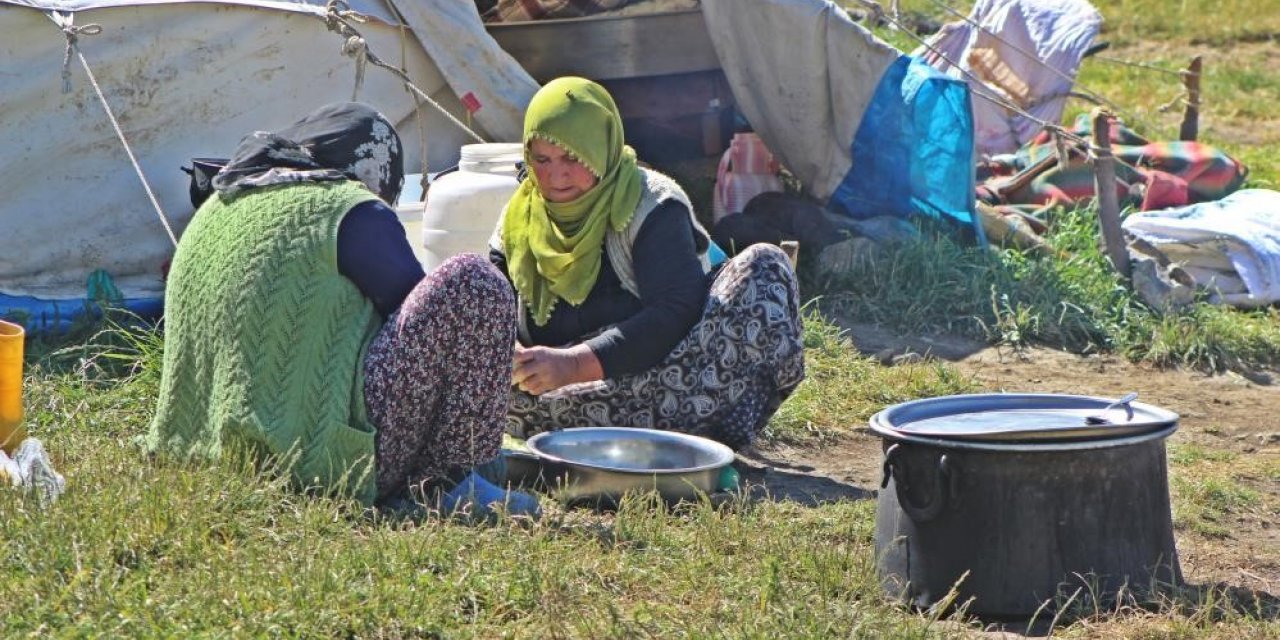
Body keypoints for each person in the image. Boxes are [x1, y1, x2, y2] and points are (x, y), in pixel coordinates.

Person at [147, 102, 538, 518]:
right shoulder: (349, 209)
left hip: (203, 451)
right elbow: (424, 323)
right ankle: (451, 480)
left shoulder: (221, 203)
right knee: (473, 281)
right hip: (318, 461)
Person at [490, 77, 806, 450]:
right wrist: (508, 353)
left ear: (601, 151)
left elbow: (675, 312)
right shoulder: (518, 221)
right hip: (565, 398)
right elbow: (489, 302)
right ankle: (650, 436)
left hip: (677, 376)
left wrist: (572, 364)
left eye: (573, 158)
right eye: (542, 160)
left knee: (764, 266)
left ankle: (693, 432)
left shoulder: (650, 205)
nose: (556, 177)